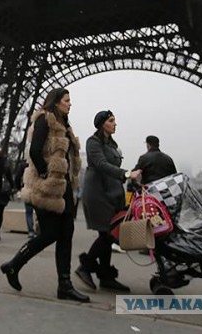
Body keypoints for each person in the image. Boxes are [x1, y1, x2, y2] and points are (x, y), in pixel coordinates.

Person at [0, 88, 90, 303]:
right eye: (67, 100)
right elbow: (34, 151)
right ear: (56, 102)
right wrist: (46, 174)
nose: (70, 104)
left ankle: (65, 285)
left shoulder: (65, 126)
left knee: (66, 233)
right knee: (50, 233)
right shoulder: (44, 119)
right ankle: (14, 265)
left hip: (65, 188)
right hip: (47, 188)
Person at [76, 110, 142, 292]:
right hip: (98, 192)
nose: (115, 124)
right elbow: (101, 164)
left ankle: (105, 276)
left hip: (112, 192)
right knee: (108, 234)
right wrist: (127, 174)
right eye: (111, 121)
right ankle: (86, 267)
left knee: (108, 234)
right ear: (102, 123)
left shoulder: (112, 144)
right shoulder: (93, 142)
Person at [14, 159, 35, 238]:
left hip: (27, 190)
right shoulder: (40, 162)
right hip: (37, 190)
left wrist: (19, 188)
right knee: (40, 212)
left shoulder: (23, 166)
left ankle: (31, 231)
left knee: (29, 213)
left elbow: (17, 177)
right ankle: (40, 229)